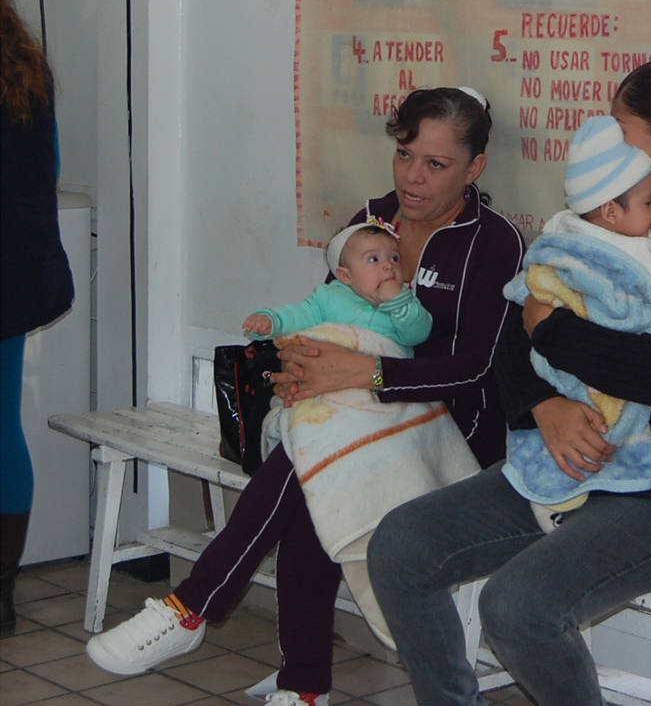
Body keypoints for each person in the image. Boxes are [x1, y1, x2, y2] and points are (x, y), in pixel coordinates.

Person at [367, 58, 651, 705]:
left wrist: (554, 331)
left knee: (517, 608)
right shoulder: (609, 213)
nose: (606, 145)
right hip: (564, 470)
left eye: (621, 131)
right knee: (401, 546)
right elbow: (514, 332)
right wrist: (543, 404)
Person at [85, 86, 525, 706]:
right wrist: (300, 367)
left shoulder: (494, 242)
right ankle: (299, 683)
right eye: (405, 155)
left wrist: (367, 374)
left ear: (473, 168)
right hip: (356, 413)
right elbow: (328, 312)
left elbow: (476, 371)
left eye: (436, 164)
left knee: (312, 462)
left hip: (448, 436)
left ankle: (197, 610)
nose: (412, 177)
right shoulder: (372, 218)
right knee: (314, 460)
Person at [502, 114, 651, 531]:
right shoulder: (627, 250)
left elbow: (528, 294)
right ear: (612, 211)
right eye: (648, 203)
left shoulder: (564, 233)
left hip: (560, 361)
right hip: (589, 367)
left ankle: (551, 493)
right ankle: (561, 494)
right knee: (604, 422)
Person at [1, 0, 75, 636]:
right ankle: (0, 599)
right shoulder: (24, 65)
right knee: (2, 429)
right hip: (17, 274)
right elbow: (48, 166)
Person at [243, 217, 429, 347]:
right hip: (332, 377)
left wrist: (398, 303)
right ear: (346, 276)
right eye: (373, 259)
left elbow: (417, 335)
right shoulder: (329, 297)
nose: (388, 265)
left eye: (394, 258)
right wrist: (271, 321)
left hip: (378, 382)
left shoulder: (406, 303)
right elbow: (298, 315)